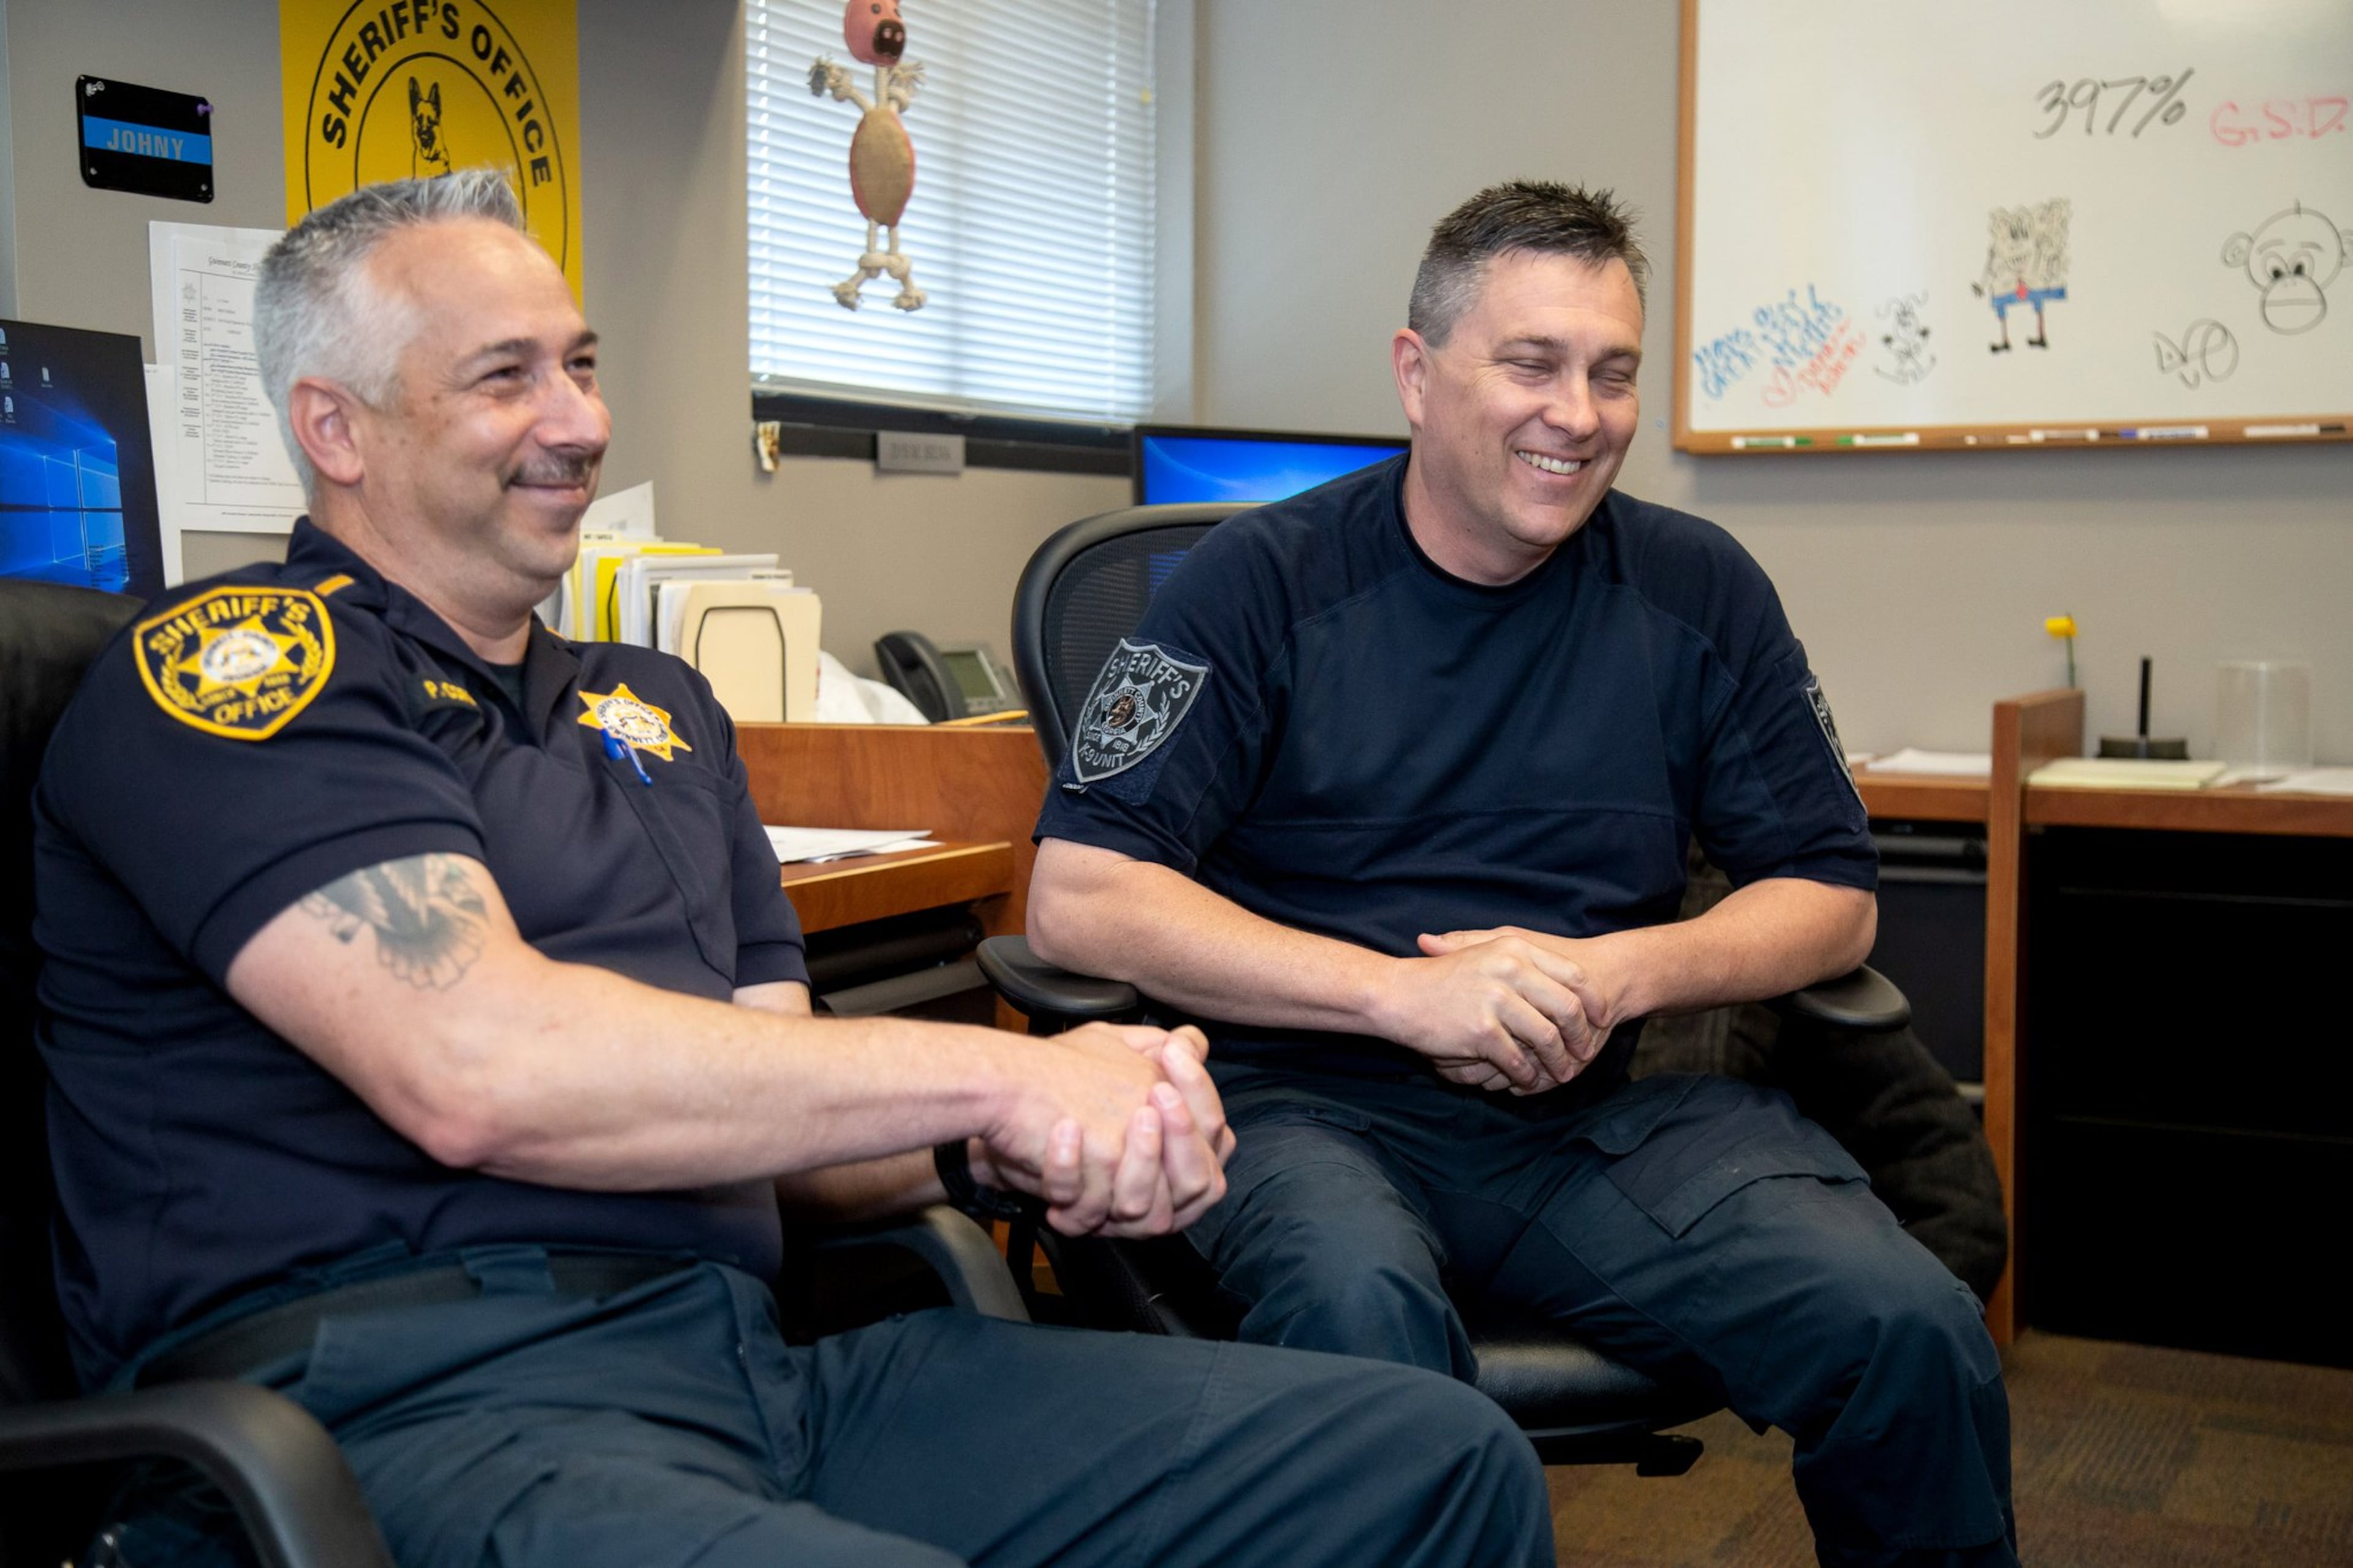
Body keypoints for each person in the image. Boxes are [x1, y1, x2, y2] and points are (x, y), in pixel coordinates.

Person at [30, 171, 1553, 1568]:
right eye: (507, 376)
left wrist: (997, 1156)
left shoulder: (658, 708)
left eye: (581, 361)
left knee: (1432, 1460)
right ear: (335, 427)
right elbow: (475, 1062)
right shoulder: (237, 671)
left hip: (746, 1362)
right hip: (405, 1403)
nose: (578, 418)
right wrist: (1002, 1078)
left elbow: (773, 1097)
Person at [1028, 180, 2018, 1568]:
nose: (1581, 412)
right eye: (1533, 363)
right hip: (1307, 1101)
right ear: (1417, 375)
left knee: (1904, 1330)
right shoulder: (1254, 583)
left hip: (1599, 1116)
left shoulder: (1697, 587)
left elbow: (1831, 889)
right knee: (1368, 1347)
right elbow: (1080, 892)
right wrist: (1398, 997)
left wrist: (1628, 970)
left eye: (1613, 373)